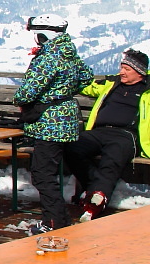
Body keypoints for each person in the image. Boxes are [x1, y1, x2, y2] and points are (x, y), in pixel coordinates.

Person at [12, 15, 93, 232]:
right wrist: (62, 92)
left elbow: (26, 92)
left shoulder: (49, 57)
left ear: (44, 34)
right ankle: (60, 219)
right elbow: (86, 77)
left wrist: (38, 97)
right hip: (66, 119)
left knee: (42, 174)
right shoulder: (68, 52)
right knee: (48, 172)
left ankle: (54, 222)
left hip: (50, 123)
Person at [64, 48, 149, 220]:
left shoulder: (147, 89)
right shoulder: (112, 84)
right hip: (99, 131)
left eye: (127, 69)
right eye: (122, 67)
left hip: (127, 135)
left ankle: (95, 201)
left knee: (112, 158)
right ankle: (96, 190)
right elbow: (87, 88)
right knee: (72, 147)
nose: (121, 72)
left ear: (139, 72)